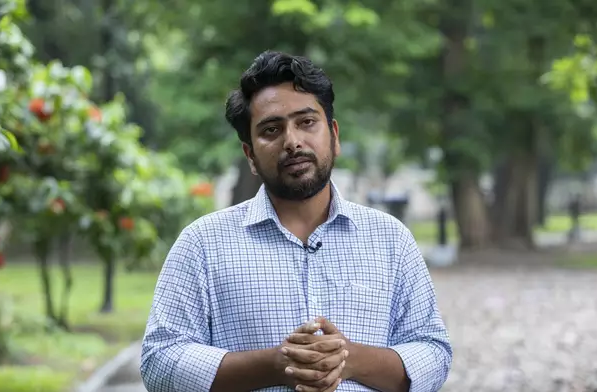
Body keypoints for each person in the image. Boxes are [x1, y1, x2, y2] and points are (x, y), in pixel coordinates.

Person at [140, 50, 452, 392]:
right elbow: (160, 362)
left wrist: (350, 359)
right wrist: (275, 365)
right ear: (251, 156)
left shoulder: (390, 239)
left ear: (334, 135)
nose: (292, 141)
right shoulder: (203, 243)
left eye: (306, 122)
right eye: (272, 130)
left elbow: (433, 353)